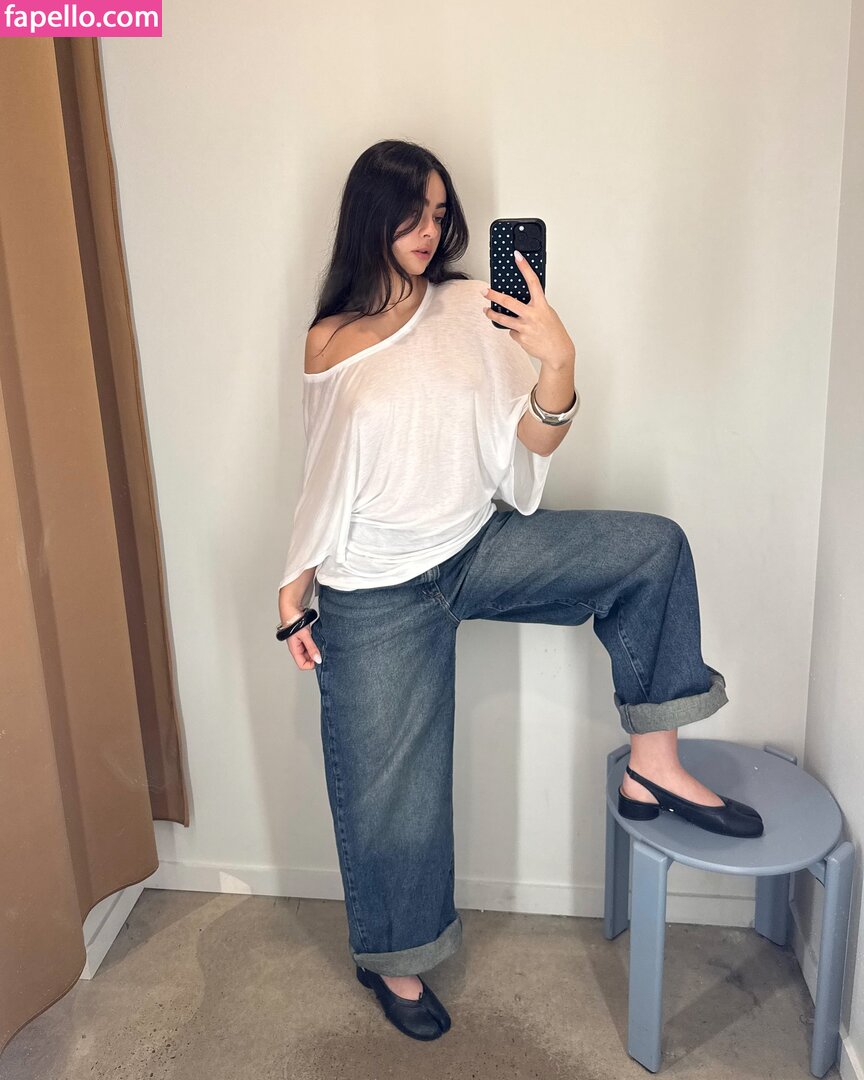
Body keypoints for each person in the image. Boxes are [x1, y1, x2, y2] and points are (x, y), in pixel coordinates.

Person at [275, 139, 762, 1042]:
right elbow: (325, 473)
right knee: (395, 794)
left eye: (439, 213)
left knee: (650, 550)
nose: (429, 230)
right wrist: (293, 586)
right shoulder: (328, 339)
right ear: (370, 217)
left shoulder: (473, 306)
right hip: (373, 589)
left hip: (475, 546)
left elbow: (529, 443)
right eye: (412, 214)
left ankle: (654, 766)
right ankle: (395, 958)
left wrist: (558, 361)